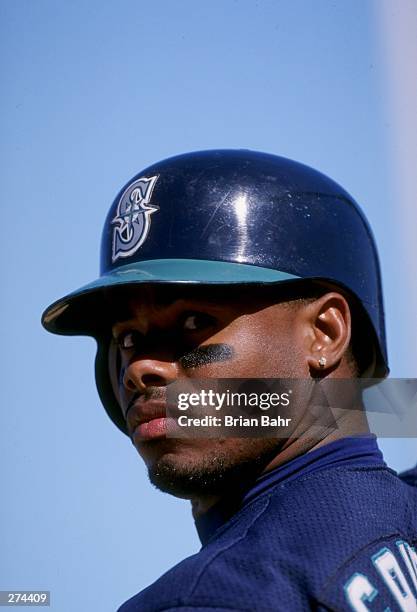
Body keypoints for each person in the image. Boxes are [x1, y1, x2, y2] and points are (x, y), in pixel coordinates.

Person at [42, 150, 417, 611]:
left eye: (196, 321)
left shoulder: (210, 598)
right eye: (129, 337)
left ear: (325, 333)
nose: (142, 368)